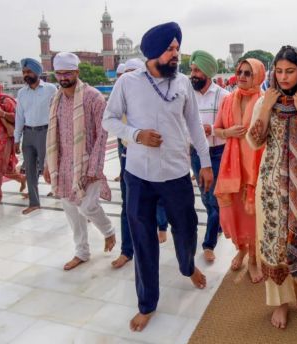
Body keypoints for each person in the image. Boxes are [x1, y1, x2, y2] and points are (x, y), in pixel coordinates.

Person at [103, 22, 213, 332]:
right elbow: (108, 120)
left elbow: (194, 126)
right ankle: (147, 303)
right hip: (139, 174)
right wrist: (136, 135)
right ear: (153, 52)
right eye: (170, 49)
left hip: (177, 173)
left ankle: (187, 266)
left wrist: (204, 164)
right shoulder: (127, 84)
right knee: (143, 239)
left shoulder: (183, 85)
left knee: (187, 227)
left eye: (177, 48)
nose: (176, 54)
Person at [246, 46, 297, 329]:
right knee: (274, 242)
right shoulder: (266, 100)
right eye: (279, 71)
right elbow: (254, 141)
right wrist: (265, 107)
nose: (284, 77)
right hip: (272, 185)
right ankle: (279, 302)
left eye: (290, 71)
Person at [43, 52, 116, 271]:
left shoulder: (93, 97)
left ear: (77, 72)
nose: (63, 77)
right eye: (59, 73)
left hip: (87, 163)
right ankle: (81, 251)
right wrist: (49, 164)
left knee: (88, 206)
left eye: (67, 72)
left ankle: (108, 231)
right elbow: (51, 135)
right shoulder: (56, 100)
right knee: (71, 209)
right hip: (64, 163)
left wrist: (95, 166)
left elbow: (103, 134)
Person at [111, 57, 168, 270]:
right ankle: (127, 250)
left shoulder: (155, 95)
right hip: (128, 153)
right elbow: (110, 123)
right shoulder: (120, 98)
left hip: (156, 155)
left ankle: (162, 226)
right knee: (129, 205)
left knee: (159, 195)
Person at [213, 58, 265, 282]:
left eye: (248, 73)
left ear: (258, 76)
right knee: (234, 210)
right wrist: (229, 133)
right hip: (232, 167)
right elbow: (216, 130)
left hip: (255, 165)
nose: (242, 77)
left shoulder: (264, 102)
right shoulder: (227, 100)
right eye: (239, 72)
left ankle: (253, 259)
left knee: (252, 214)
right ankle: (241, 248)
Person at [189, 50, 230, 262]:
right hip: (196, 153)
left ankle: (208, 243)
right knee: (206, 196)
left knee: (214, 198)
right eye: (192, 70)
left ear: (207, 72)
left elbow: (231, 126)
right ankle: (219, 224)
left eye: (197, 70)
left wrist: (211, 129)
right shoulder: (188, 94)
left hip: (217, 153)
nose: (193, 74)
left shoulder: (223, 96)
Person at [14, 58, 57, 214]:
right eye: (24, 72)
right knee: (30, 170)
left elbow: (58, 112)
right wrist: (16, 139)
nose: (26, 75)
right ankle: (34, 202)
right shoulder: (21, 93)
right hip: (28, 134)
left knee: (50, 166)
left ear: (37, 73)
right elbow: (19, 117)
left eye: (29, 72)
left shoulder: (51, 89)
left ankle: (59, 191)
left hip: (46, 133)